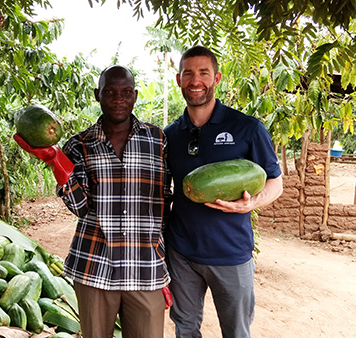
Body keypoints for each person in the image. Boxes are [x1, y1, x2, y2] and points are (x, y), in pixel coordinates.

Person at [17, 65, 172, 337]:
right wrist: (57, 162)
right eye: (109, 92)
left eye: (126, 92)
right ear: (97, 95)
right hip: (94, 265)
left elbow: (166, 199)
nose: (118, 99)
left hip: (145, 267)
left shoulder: (157, 139)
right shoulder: (80, 144)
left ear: (135, 95)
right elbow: (80, 207)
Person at [164, 46, 283, 338]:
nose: (195, 81)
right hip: (182, 253)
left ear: (216, 78)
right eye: (188, 74)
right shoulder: (169, 135)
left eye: (203, 73)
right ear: (178, 80)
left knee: (237, 332)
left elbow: (275, 182)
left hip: (230, 254)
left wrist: (251, 203)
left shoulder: (247, 128)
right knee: (185, 329)